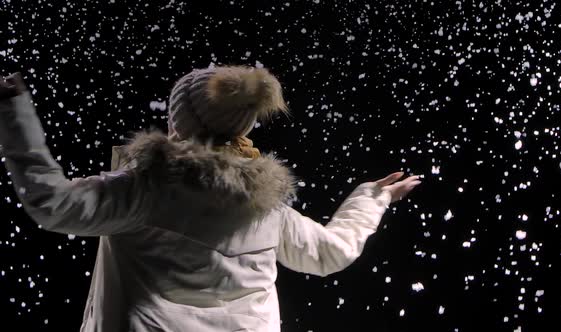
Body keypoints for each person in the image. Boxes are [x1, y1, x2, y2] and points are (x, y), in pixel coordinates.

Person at [0, 67, 421, 332]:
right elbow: (332, 252)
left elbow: (50, 202)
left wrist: (12, 110)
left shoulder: (143, 191)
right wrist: (374, 198)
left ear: (179, 122)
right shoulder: (268, 208)